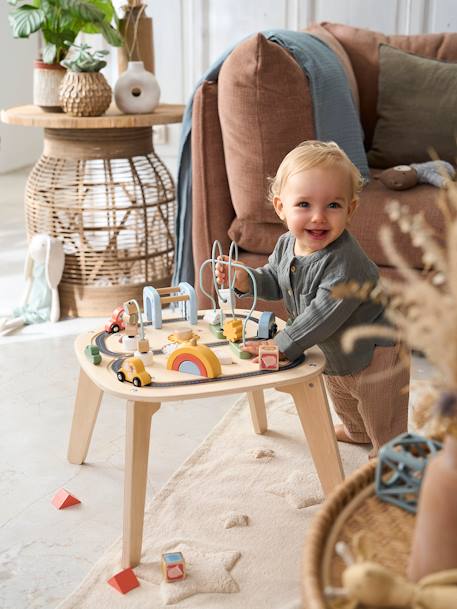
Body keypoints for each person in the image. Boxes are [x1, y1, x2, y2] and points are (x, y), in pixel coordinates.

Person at [216, 140, 409, 457]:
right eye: (304, 205)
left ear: (350, 209)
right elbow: (275, 280)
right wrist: (245, 279)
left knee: (379, 401)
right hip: (333, 345)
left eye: (333, 205)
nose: (318, 217)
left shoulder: (348, 265)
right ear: (281, 207)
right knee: (342, 390)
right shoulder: (285, 244)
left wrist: (283, 344)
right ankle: (356, 430)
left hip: (377, 347)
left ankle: (390, 450)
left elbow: (323, 314)